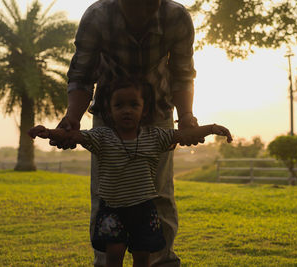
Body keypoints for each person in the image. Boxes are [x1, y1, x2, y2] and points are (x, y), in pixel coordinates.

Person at [54, 0, 199, 265]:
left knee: (160, 194)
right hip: (109, 116)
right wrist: (72, 119)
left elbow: (182, 73)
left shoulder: (176, 17)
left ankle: (161, 261)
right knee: (107, 194)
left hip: (158, 115)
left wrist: (186, 117)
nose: (142, 11)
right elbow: (82, 74)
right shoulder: (97, 17)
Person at [29, 79, 232, 267]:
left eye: (134, 105)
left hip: (143, 210)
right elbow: (72, 135)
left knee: (142, 258)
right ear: (109, 111)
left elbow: (185, 134)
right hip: (112, 210)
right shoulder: (102, 137)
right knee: (114, 255)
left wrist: (212, 128)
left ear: (144, 111)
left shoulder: (155, 136)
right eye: (119, 105)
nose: (127, 110)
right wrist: (48, 132)